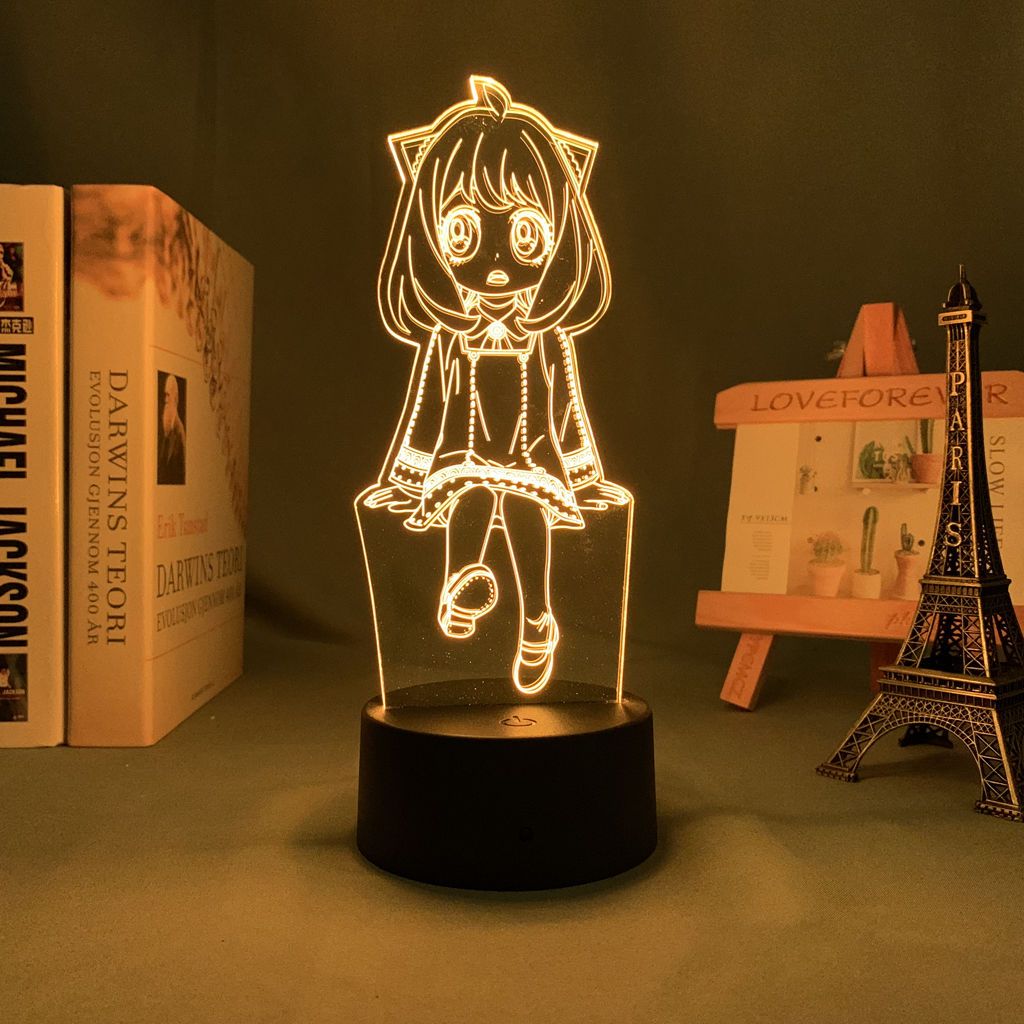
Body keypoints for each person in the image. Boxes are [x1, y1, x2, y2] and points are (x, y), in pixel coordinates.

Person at [366, 77, 629, 695]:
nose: (495, 265)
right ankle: (463, 583)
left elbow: (566, 407)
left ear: (561, 237)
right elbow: (428, 407)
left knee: (522, 500)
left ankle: (537, 621)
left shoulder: (546, 336)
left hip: (532, 454)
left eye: (525, 235)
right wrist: (406, 478)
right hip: (464, 453)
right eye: (461, 233)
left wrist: (584, 475)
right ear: (429, 237)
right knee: (472, 489)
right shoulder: (448, 336)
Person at [158, 373, 186, 484]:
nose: (165, 400)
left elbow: (183, 472)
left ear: (174, 397)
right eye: (165, 395)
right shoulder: (167, 433)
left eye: (168, 395)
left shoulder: (179, 431)